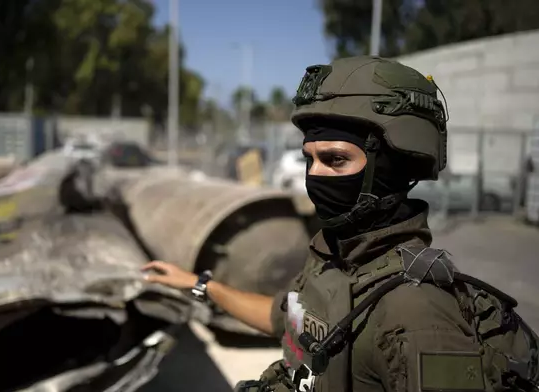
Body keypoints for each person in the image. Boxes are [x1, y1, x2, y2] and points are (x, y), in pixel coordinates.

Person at [141, 56, 539, 392]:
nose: (314, 176)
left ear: (389, 167)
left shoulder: (417, 311)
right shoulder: (334, 258)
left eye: (335, 160)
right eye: (308, 159)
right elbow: (284, 319)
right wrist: (197, 284)